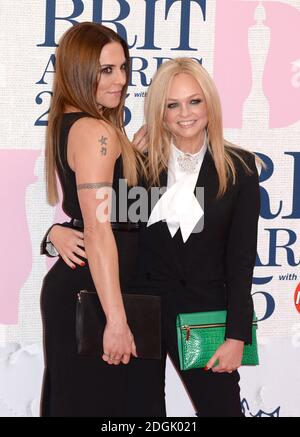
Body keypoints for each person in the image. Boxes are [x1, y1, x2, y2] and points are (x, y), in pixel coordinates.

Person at [45, 58, 260, 417]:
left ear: (210, 103)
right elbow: (99, 223)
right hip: (139, 316)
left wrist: (237, 335)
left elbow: (241, 261)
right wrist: (54, 235)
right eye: (172, 105)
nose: (184, 114)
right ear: (159, 112)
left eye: (194, 101)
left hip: (205, 317)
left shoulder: (240, 167)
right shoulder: (136, 165)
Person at [40, 21, 165, 417]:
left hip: (97, 290)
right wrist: (115, 320)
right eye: (106, 70)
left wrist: (133, 156)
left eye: (123, 67)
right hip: (95, 298)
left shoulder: (78, 124)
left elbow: (114, 212)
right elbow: (97, 231)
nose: (120, 80)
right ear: (78, 72)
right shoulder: (96, 131)